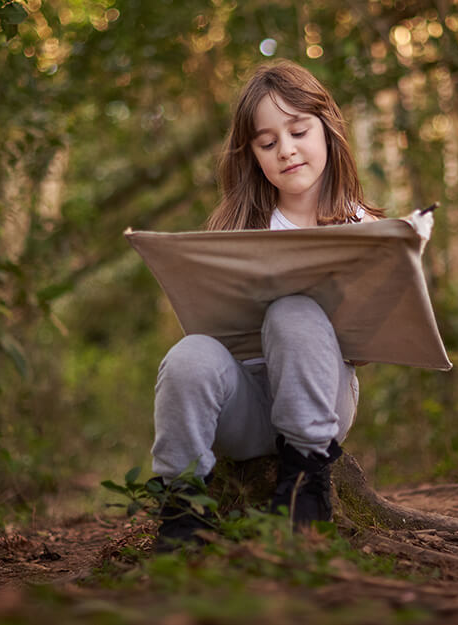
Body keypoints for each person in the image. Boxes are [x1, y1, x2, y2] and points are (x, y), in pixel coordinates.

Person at [149, 59, 386, 552]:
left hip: (320, 404)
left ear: (327, 131)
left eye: (298, 131)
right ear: (252, 153)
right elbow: (212, 326)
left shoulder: (359, 226)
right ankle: (180, 508)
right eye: (267, 142)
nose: (287, 150)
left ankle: (304, 489)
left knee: (292, 312)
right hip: (247, 407)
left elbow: (364, 349)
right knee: (189, 354)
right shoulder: (238, 226)